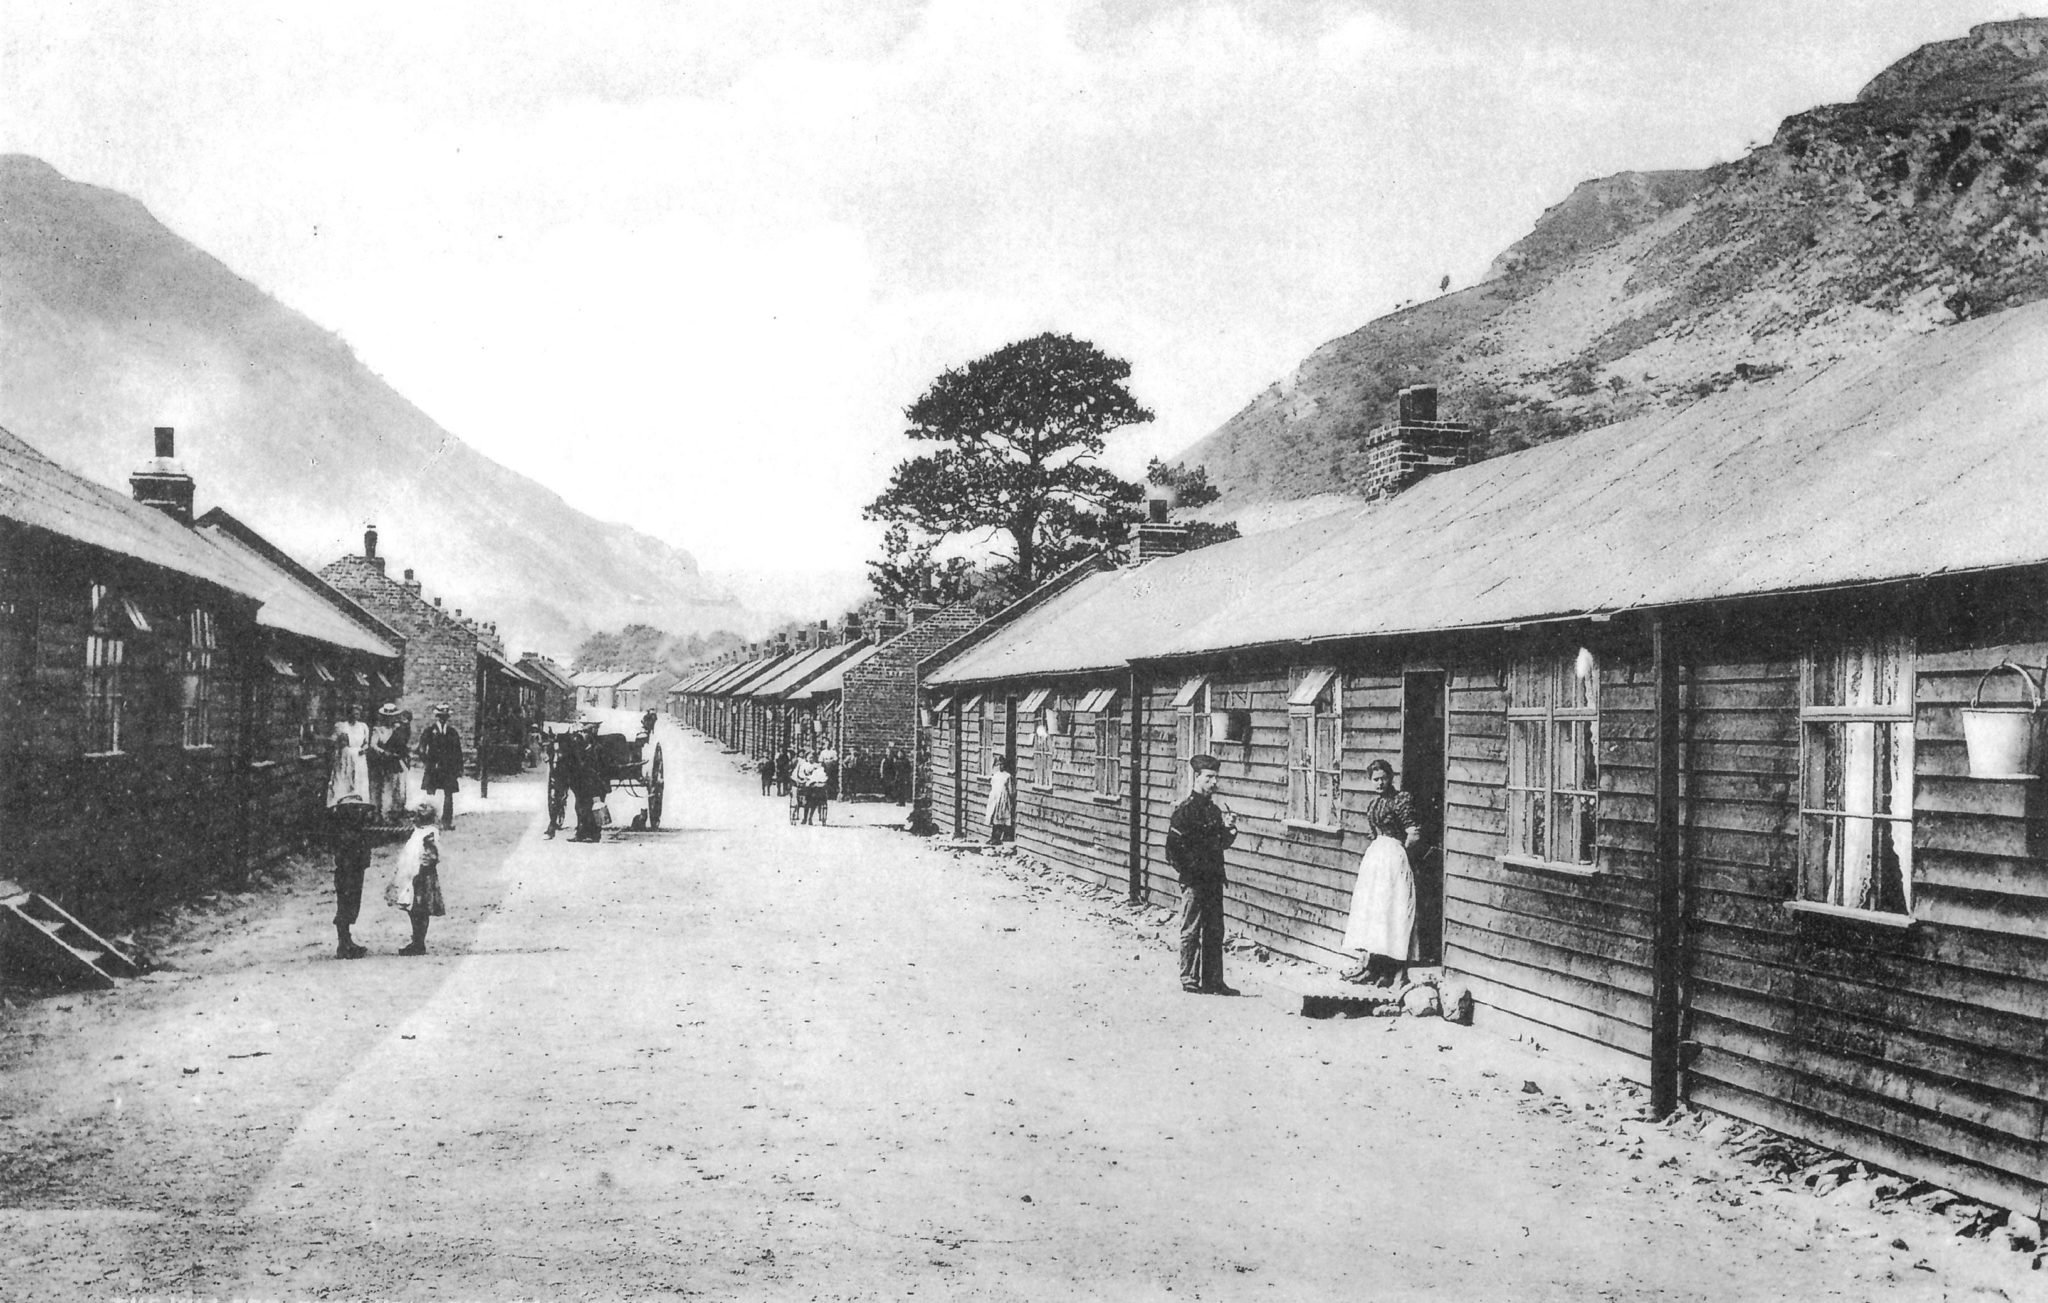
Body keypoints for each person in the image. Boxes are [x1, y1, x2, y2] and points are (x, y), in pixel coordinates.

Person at [1340, 759, 1421, 986]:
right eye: (1375, 779)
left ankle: (1393, 971)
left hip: (1393, 858)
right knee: (1373, 911)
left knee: (1391, 912)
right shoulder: (1374, 804)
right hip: (1376, 859)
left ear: (1391, 777)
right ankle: (1372, 967)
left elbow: (1413, 832)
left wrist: (1400, 852)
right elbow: (1373, 834)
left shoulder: (1400, 800)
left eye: (1383, 778)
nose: (1379, 783)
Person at [1165, 753, 1239, 995]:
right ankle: (1188, 977)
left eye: (1216, 778)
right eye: (1208, 778)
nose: (1213, 783)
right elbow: (1172, 850)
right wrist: (1190, 872)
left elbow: (1221, 844)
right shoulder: (1184, 812)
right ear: (1196, 778)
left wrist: (1230, 829)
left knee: (1215, 930)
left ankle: (1213, 980)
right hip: (1195, 881)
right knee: (1191, 929)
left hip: (1214, 880)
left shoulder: (1214, 811)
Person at [385, 798, 445, 956]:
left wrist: (422, 869)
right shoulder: (418, 832)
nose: (414, 819)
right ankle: (416, 939)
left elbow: (431, 855)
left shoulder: (429, 833)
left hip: (421, 876)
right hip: (412, 875)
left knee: (420, 909)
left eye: (417, 816)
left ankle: (419, 942)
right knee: (414, 909)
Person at [328, 800, 372, 959]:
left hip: (353, 873)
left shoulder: (356, 832)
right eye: (355, 810)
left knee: (351, 906)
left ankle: (347, 941)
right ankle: (343, 944)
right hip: (348, 875)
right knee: (346, 907)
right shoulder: (347, 835)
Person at [417, 704, 463, 830]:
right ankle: (429, 820)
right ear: (437, 716)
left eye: (445, 716)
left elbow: (458, 751)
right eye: (441, 716)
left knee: (449, 795)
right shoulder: (430, 731)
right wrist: (428, 762)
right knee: (430, 793)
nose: (443, 718)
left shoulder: (452, 732)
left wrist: (459, 768)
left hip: (449, 768)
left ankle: (446, 822)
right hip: (434, 767)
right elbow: (421, 748)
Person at [367, 703, 411, 825]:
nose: (390, 719)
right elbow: (373, 745)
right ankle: (379, 815)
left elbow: (402, 745)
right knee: (379, 788)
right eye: (387, 717)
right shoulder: (378, 730)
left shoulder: (397, 729)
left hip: (394, 762)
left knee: (395, 788)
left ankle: (393, 813)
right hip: (381, 762)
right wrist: (383, 752)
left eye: (392, 716)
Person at [568, 721, 610, 843]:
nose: (584, 735)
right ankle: (580, 833)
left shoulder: (598, 748)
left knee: (595, 808)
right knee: (581, 808)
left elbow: (604, 767)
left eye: (586, 732)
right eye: (583, 732)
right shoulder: (580, 748)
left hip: (597, 784)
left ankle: (595, 835)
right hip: (584, 784)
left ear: (592, 734)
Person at [326, 699, 372, 809]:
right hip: (345, 758)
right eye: (354, 713)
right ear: (348, 713)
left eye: (358, 713)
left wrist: (364, 749)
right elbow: (332, 740)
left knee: (359, 783)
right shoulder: (341, 726)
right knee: (343, 781)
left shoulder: (363, 727)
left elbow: (366, 743)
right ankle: (339, 807)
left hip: (359, 758)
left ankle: (360, 807)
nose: (356, 715)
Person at [985, 754, 1016, 844]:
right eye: (1000, 765)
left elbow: (1011, 790)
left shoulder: (1007, 776)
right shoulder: (995, 776)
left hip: (1003, 799)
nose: (1001, 766)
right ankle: (994, 837)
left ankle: (1001, 837)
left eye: (1003, 765)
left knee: (1002, 818)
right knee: (994, 817)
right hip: (995, 798)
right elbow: (993, 785)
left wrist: (1010, 798)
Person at [792, 750, 826, 824]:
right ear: (806, 758)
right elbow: (800, 775)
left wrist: (816, 778)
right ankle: (805, 818)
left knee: (814, 800)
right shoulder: (803, 765)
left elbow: (821, 775)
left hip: (814, 786)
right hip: (805, 786)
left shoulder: (818, 766)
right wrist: (805, 778)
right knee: (806, 800)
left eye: (812, 758)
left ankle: (810, 818)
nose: (811, 759)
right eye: (809, 758)